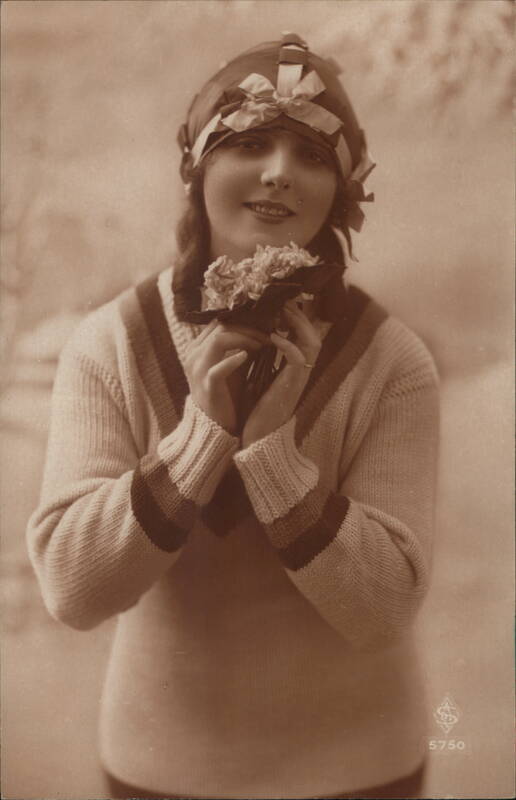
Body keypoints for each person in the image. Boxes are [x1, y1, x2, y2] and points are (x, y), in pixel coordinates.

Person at [27, 33, 439, 800]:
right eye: (249, 142)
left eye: (313, 155)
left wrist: (276, 454)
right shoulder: (110, 343)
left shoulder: (390, 359)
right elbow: (71, 590)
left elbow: (386, 609)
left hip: (361, 769)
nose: (280, 173)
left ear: (341, 194)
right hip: (162, 768)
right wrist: (202, 437)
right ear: (199, 170)